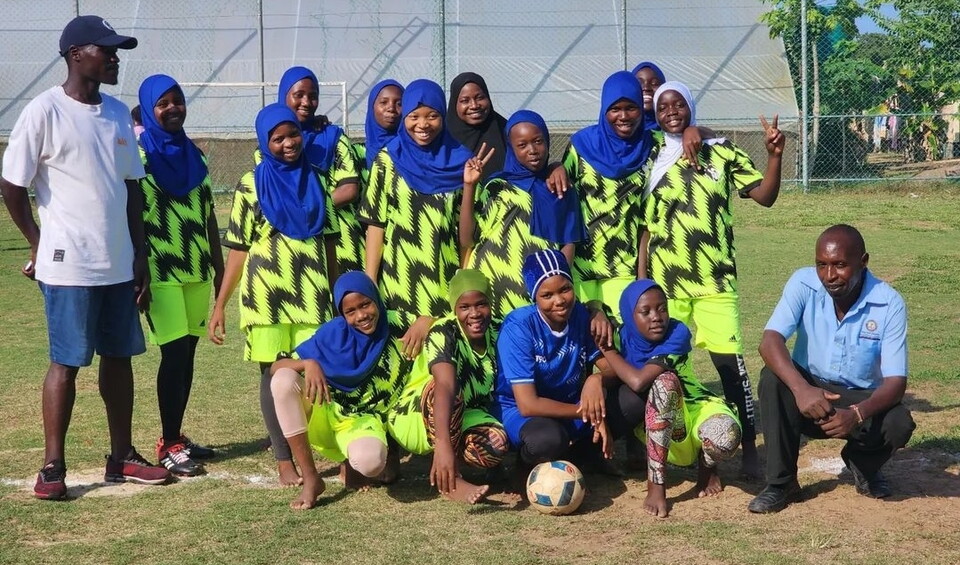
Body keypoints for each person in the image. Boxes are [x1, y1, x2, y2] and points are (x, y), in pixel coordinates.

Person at [0, 15, 171, 500]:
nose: (116, 57)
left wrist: (140, 254)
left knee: (120, 359)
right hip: (66, 263)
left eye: (117, 51)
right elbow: (12, 184)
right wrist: (36, 240)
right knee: (67, 362)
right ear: (77, 54)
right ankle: (53, 465)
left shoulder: (118, 114)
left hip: (118, 263)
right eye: (107, 49)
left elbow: (132, 190)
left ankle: (122, 457)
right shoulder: (43, 111)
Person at [639, 81, 785, 478]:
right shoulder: (648, 155)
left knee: (729, 368)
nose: (671, 111)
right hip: (668, 287)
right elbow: (644, 230)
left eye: (679, 104)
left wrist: (774, 156)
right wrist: (642, 281)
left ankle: (750, 446)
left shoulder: (720, 151)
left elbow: (765, 196)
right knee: (673, 371)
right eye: (663, 106)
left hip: (716, 282)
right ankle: (695, 452)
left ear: (691, 106)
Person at [210, 103, 339, 486]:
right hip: (266, 298)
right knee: (272, 375)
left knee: (316, 370)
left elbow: (330, 245)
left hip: (314, 295)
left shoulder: (318, 178)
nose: (287, 144)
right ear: (265, 142)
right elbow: (238, 249)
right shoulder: (251, 184)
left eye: (292, 135)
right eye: (277, 138)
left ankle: (317, 447)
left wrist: (335, 295)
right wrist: (220, 304)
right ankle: (284, 458)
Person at [748, 225, 915, 513]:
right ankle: (781, 483)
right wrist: (802, 390)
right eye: (821, 265)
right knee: (772, 380)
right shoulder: (802, 283)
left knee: (898, 422)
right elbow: (769, 341)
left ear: (863, 262)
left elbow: (896, 382)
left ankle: (863, 464)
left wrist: (856, 414)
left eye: (840, 265)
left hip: (857, 399)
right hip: (809, 391)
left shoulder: (889, 303)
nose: (829, 276)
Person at [563, 71, 706, 320]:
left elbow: (681, 134)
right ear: (604, 109)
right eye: (615, 109)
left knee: (621, 343)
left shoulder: (652, 145)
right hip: (580, 266)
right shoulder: (581, 146)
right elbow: (560, 199)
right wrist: (555, 168)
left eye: (631, 108)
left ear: (641, 108)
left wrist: (694, 130)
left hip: (623, 267)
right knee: (583, 343)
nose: (623, 116)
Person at [492, 250, 644, 481]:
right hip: (524, 412)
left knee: (634, 399)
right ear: (535, 297)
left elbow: (611, 367)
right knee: (547, 440)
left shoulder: (583, 316)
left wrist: (596, 380)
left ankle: (587, 455)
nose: (559, 300)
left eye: (565, 289)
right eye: (547, 295)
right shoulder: (519, 327)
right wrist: (592, 415)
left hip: (571, 406)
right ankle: (524, 465)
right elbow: (527, 404)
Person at [136, 74, 223, 476]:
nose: (173, 108)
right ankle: (168, 442)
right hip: (160, 270)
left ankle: (176, 435)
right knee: (172, 354)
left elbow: (208, 219)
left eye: (178, 101)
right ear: (150, 110)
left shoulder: (196, 156)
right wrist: (138, 272)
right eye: (163, 103)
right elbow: (131, 217)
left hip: (197, 269)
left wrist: (221, 271)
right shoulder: (138, 157)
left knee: (187, 353)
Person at [269, 271, 415, 509]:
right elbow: (276, 366)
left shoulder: (394, 321)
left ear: (375, 298)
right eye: (350, 312)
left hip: (362, 421)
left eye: (366, 304)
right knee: (283, 380)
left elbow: (439, 323)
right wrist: (308, 363)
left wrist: (423, 323)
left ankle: (353, 460)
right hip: (326, 412)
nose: (361, 316)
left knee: (370, 463)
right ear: (341, 313)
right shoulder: (333, 333)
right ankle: (311, 478)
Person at [599, 279, 741, 518]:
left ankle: (695, 471)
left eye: (662, 308)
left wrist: (606, 349)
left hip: (692, 411)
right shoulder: (621, 336)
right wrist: (595, 308)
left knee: (723, 434)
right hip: (651, 424)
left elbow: (638, 382)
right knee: (661, 387)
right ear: (628, 315)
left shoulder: (677, 333)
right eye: (646, 311)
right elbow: (594, 309)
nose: (657, 317)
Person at [359, 78, 491, 320]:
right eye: (414, 116)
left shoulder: (463, 162)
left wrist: (464, 280)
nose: (423, 124)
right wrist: (370, 281)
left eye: (432, 116)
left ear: (443, 115)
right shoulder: (388, 161)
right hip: (397, 285)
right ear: (405, 118)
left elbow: (467, 238)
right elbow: (376, 226)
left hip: (446, 284)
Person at [388, 269, 510, 504]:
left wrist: (595, 307)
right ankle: (451, 480)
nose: (474, 314)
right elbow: (444, 384)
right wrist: (443, 446)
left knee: (496, 443)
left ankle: (487, 470)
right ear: (455, 308)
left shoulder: (499, 328)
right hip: (417, 415)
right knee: (450, 391)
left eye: (481, 304)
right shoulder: (444, 331)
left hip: (467, 414)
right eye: (464, 307)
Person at [460, 110, 586, 319]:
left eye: (538, 141)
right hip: (491, 297)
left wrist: (552, 287)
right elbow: (467, 239)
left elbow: (568, 243)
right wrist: (469, 186)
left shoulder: (560, 188)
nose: (533, 150)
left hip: (536, 301)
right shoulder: (497, 187)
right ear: (511, 148)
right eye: (522, 145)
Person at [266, 66, 364, 272]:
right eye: (298, 95)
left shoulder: (334, 138)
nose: (306, 102)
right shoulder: (267, 147)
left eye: (313, 96)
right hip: (288, 240)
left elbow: (349, 190)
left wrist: (307, 210)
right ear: (284, 96)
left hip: (340, 242)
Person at [446, 72, 508, 176]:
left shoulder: (506, 130)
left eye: (480, 98)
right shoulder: (443, 136)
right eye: (465, 100)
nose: (474, 105)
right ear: (454, 103)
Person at [354, 79, 404, 188]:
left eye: (399, 103)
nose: (391, 108)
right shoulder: (355, 155)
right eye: (384, 102)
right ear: (372, 106)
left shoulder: (412, 152)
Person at [631, 61, 666, 132]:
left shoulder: (674, 128)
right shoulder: (621, 128)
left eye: (654, 83)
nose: (646, 88)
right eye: (639, 83)